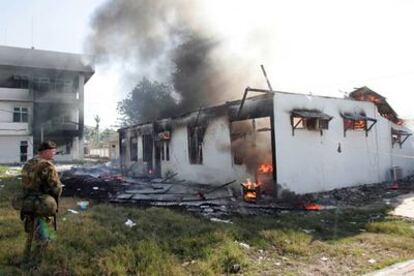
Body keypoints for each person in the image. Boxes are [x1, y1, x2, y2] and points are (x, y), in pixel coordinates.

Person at [20, 141, 62, 267]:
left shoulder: (28, 163)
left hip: (28, 203)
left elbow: (24, 184)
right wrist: (55, 201)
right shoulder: (47, 166)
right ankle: (38, 263)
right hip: (42, 205)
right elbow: (56, 187)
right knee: (43, 233)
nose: (54, 153)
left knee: (31, 232)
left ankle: (26, 258)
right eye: (52, 150)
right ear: (44, 151)